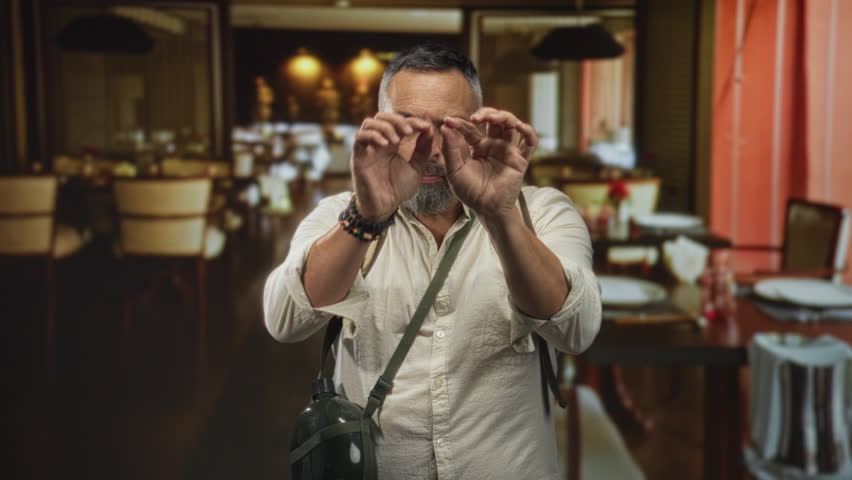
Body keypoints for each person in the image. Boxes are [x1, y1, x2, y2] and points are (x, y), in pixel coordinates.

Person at [263, 44, 601, 479]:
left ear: (477, 126)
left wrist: (499, 215)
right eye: (408, 125)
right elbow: (283, 319)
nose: (429, 147)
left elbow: (578, 329)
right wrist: (366, 217)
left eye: (448, 127)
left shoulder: (544, 212)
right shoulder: (340, 215)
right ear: (381, 124)